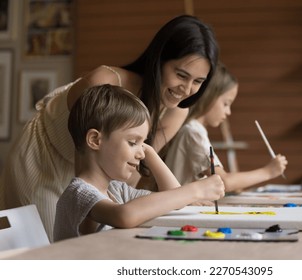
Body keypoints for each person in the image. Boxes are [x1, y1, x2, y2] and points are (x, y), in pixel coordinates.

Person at [0, 14, 219, 241]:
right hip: (43, 159)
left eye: (198, 81)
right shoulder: (104, 82)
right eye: (181, 75)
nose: (186, 89)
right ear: (160, 61)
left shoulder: (176, 111)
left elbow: (131, 166)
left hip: (96, 171)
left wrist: (157, 168)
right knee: (42, 245)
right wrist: (193, 191)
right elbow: (94, 180)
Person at [54, 84, 224, 241]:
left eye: (143, 144)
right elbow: (124, 216)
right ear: (95, 140)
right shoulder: (78, 193)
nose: (141, 153)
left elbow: (173, 199)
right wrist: (196, 190)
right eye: (133, 142)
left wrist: (150, 152)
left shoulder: (116, 190)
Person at [164, 63, 288, 195]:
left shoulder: (193, 129)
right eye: (226, 104)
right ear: (209, 96)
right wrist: (268, 172)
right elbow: (224, 182)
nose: (228, 112)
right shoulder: (193, 132)